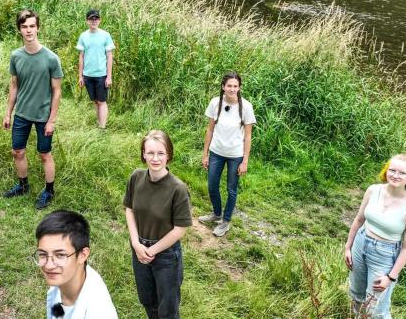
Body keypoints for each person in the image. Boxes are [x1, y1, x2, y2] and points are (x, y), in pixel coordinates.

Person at [344, 154, 406, 318]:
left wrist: (390, 277)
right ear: (386, 171)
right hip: (360, 242)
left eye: (402, 173)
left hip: (384, 254)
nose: (395, 175)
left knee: (376, 307)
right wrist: (348, 247)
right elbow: (359, 219)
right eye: (392, 170)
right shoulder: (373, 190)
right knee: (356, 295)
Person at [123, 130, 192, 319]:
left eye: (160, 153)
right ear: (143, 154)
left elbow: (180, 230)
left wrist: (152, 250)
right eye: (150, 153)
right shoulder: (136, 177)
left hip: (165, 254)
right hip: (139, 249)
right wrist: (136, 244)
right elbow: (129, 209)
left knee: (167, 307)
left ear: (168, 155)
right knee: (147, 300)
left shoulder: (178, 189)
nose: (155, 158)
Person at [2, 9, 64, 209]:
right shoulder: (16, 56)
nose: (28, 30)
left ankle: (49, 191)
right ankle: (23, 186)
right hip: (22, 114)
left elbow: (57, 92)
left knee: (44, 154)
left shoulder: (51, 58)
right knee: (17, 151)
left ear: (38, 28)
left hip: (43, 116)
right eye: (24, 27)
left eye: (32, 26)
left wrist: (51, 120)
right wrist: (8, 113)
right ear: (19, 30)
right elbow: (14, 86)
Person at [198, 72, 256, 237]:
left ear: (239, 88)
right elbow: (209, 129)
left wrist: (245, 161)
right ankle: (216, 214)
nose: (232, 89)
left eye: (235, 86)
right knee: (212, 186)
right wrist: (205, 154)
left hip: (235, 155)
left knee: (231, 189)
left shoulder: (246, 107)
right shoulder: (215, 103)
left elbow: (248, 136)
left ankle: (226, 221)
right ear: (223, 87)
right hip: (216, 152)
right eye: (229, 86)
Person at [34, 210, 118, 319]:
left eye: (60, 255)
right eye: (42, 254)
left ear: (83, 255)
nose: (49, 266)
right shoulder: (68, 277)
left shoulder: (98, 313)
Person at [76, 9, 115, 129]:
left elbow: (109, 56)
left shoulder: (105, 35)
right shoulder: (83, 36)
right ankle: (99, 123)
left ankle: (102, 128)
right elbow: (81, 56)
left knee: (102, 102)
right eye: (91, 19)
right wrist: (80, 76)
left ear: (100, 20)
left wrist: (109, 77)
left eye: (96, 18)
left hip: (101, 75)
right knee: (95, 101)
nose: (94, 21)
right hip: (88, 75)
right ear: (87, 21)